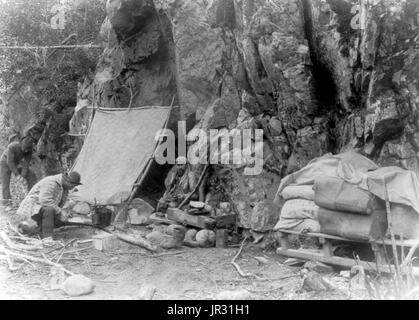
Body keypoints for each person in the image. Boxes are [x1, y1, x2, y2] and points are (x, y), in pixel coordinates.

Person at [17, 171, 82, 239]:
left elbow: (57, 205)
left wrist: (63, 212)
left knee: (60, 219)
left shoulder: (64, 188)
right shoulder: (51, 182)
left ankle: (39, 230)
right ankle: (47, 237)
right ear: (68, 182)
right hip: (30, 210)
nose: (74, 187)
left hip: (39, 210)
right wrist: (60, 211)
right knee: (49, 210)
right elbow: (45, 201)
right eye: (74, 185)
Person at [0, 136, 37, 202]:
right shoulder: (12, 146)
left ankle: (31, 196)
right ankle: (7, 201)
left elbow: (26, 163)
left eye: (27, 149)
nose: (25, 150)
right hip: (5, 162)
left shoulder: (29, 151)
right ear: (21, 144)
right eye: (24, 148)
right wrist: (17, 175)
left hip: (17, 162)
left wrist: (22, 175)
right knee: (5, 183)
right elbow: (10, 162)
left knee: (31, 174)